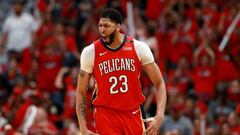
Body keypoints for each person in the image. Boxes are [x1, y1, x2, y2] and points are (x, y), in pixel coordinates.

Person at [76, 8, 167, 135]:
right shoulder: (90, 52)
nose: (102, 30)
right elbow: (81, 91)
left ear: (118, 27)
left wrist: (160, 116)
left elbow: (159, 83)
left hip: (133, 113)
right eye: (100, 25)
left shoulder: (138, 48)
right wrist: (83, 127)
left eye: (107, 26)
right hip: (105, 114)